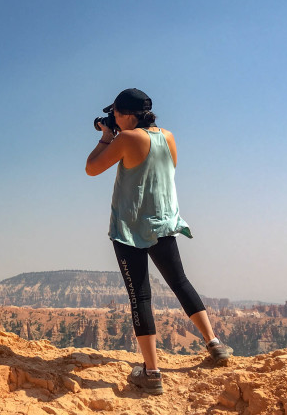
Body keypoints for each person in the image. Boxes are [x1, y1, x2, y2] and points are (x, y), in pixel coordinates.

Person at [85, 88, 230, 395]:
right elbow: (166, 168)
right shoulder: (169, 136)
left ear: (127, 115)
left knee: (140, 295)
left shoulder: (127, 138)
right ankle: (214, 344)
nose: (113, 119)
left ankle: (152, 374)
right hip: (163, 222)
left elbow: (92, 168)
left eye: (116, 114)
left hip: (130, 228)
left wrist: (106, 136)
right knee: (180, 281)